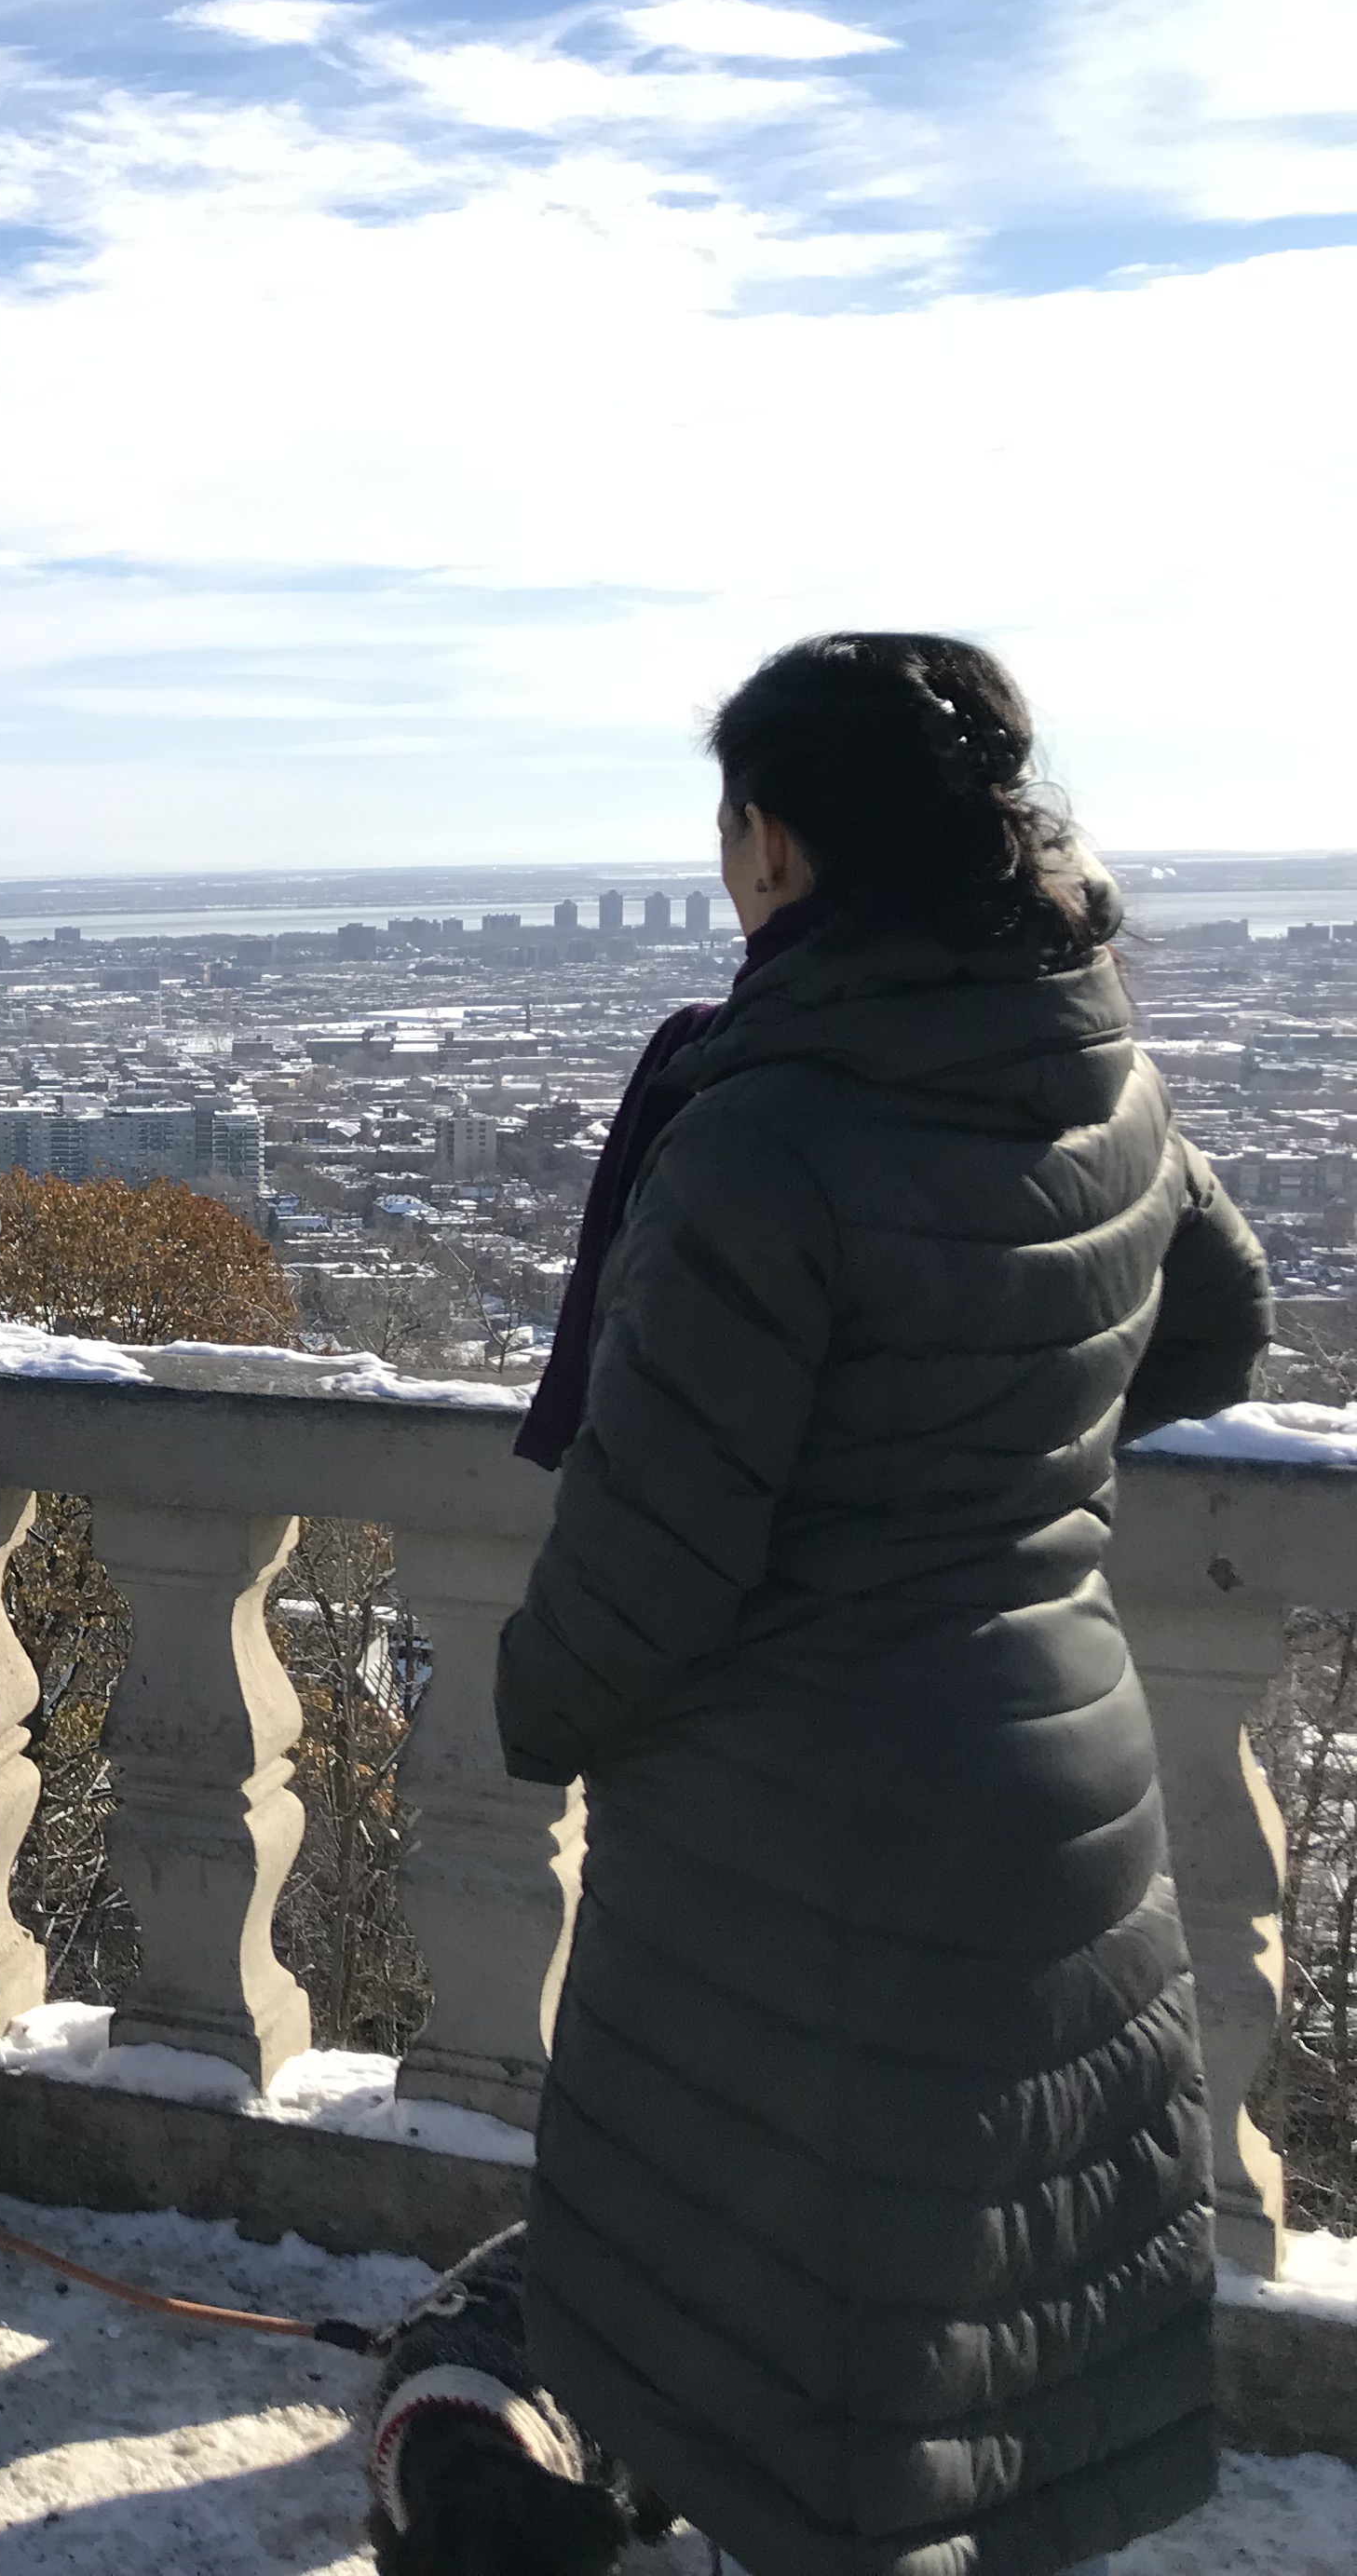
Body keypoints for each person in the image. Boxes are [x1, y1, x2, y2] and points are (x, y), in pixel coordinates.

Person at [498, 636, 1269, 2576]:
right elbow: (1219, 1327)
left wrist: (536, 1703)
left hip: (803, 1825)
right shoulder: (1097, 1059)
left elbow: (649, 1554)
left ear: (774, 845)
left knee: (790, 2362)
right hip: (1061, 1779)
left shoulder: (766, 1129)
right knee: (991, 2336)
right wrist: (1000, 1461)